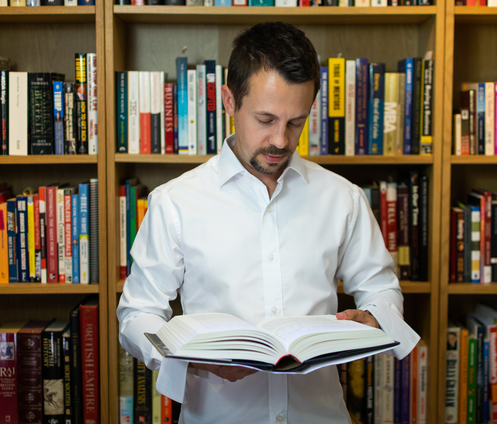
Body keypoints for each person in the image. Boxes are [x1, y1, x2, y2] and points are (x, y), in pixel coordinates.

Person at [117, 21, 420, 424]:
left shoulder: (343, 198)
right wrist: (190, 359)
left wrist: (375, 317)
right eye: (265, 119)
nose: (280, 140)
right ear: (229, 101)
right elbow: (136, 316)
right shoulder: (175, 203)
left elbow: (382, 289)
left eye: (296, 122)